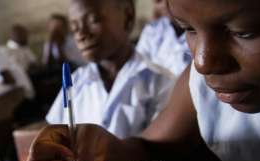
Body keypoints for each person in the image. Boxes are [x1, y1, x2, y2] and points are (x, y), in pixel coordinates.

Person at [27, 0, 260, 161]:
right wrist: (107, 148)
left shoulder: (158, 78)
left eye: (244, 31)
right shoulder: (197, 83)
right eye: (188, 28)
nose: (202, 62)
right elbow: (150, 147)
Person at [46, 0, 175, 139]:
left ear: (128, 16)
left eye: (93, 20)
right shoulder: (75, 82)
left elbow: (159, 149)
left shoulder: (160, 82)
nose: (81, 34)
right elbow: (54, 134)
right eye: (75, 27)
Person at [136, 0, 191, 78]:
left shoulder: (200, 30)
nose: (165, 4)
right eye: (159, 0)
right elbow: (139, 67)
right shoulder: (152, 30)